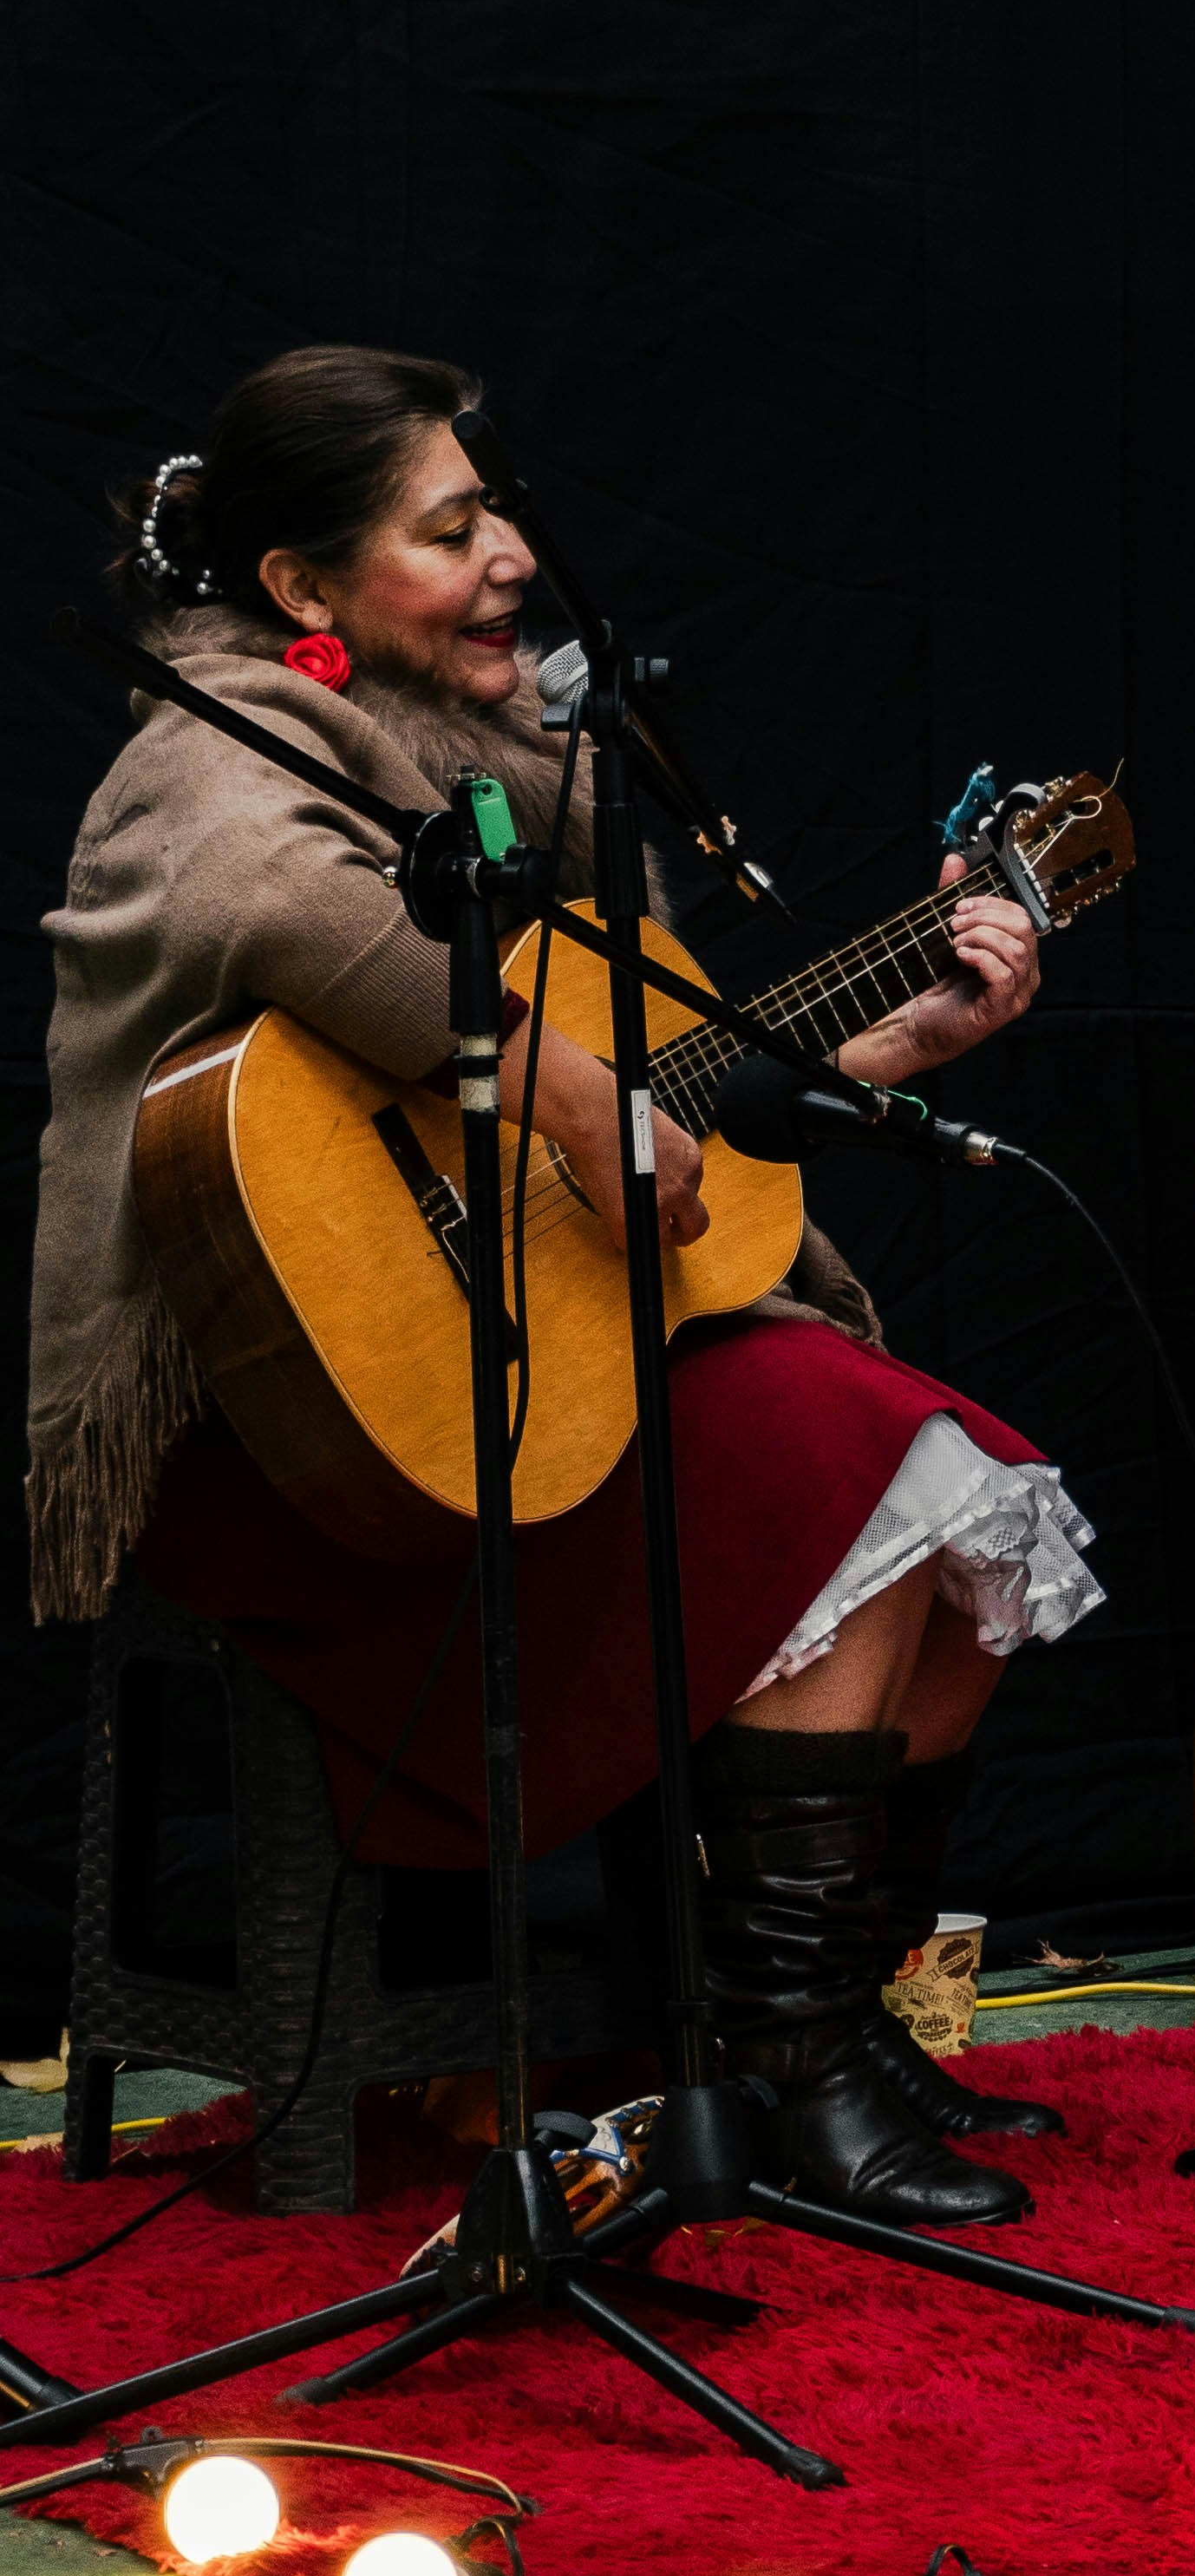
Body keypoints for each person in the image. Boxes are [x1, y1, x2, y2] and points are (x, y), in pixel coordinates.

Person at [28, 343, 1099, 2232]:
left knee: (950, 1506)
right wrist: (580, 1093)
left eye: (499, 507)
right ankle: (783, 2056)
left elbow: (663, 1101)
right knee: (857, 1447)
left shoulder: (522, 768)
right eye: (451, 528)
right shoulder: (209, 748)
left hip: (516, 1346)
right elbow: (289, 914)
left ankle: (806, 2017)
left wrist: (881, 1052)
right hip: (291, 1423)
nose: (513, 553)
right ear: (301, 591)